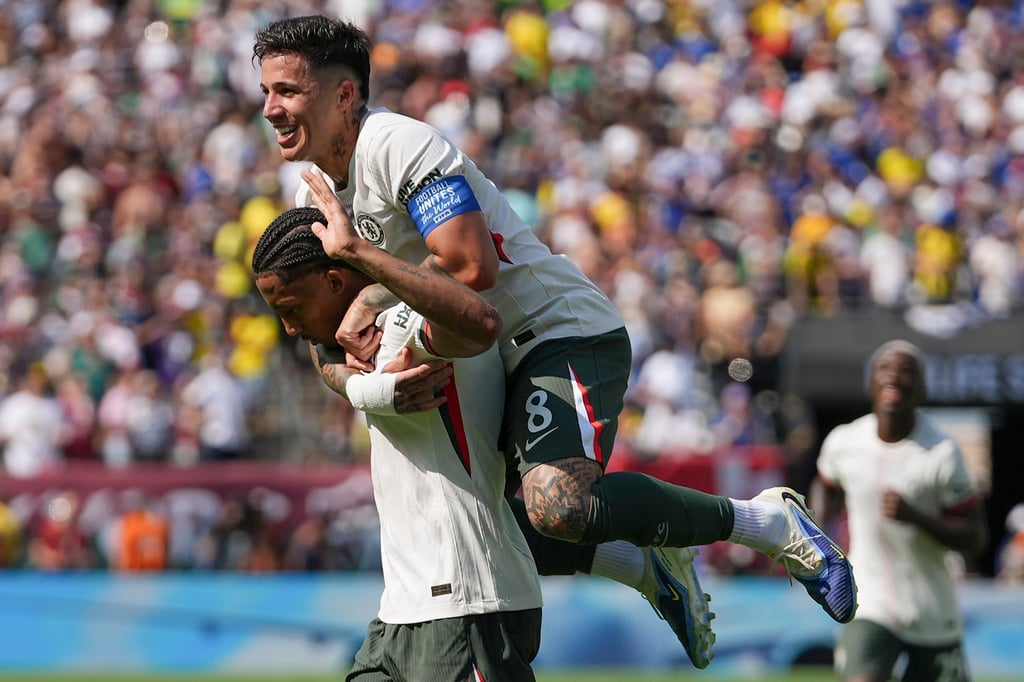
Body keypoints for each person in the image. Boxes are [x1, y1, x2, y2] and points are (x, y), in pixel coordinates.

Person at [252, 15, 858, 660]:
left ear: (343, 94)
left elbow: (470, 267)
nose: (270, 109)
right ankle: (643, 564)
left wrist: (371, 283)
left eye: (287, 90)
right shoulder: (313, 192)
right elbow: (323, 336)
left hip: (552, 332)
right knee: (484, 525)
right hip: (478, 361)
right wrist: (368, 390)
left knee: (557, 504)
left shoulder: (398, 145)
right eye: (266, 92)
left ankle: (766, 522)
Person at [253, 206, 543, 680]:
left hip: (467, 601)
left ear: (333, 281)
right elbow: (323, 349)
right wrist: (371, 390)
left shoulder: (405, 321)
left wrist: (368, 277)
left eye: (291, 308)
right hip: (402, 610)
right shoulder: (352, 342)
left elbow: (478, 323)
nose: (288, 327)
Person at [810, 340, 988, 682]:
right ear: (870, 383)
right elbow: (826, 485)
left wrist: (916, 517)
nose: (896, 376)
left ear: (922, 388)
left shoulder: (942, 453)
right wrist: (819, 528)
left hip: (932, 608)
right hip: (867, 599)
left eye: (908, 371)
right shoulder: (844, 442)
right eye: (885, 368)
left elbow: (975, 537)